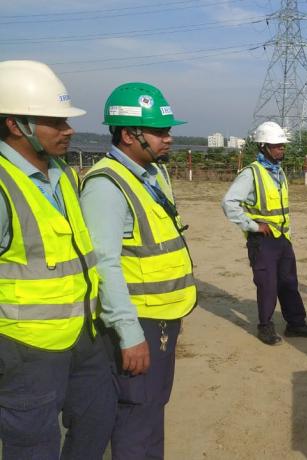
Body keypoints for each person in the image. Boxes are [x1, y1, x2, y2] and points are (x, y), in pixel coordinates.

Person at [0, 60, 115, 459]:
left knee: (98, 419)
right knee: (33, 445)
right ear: (16, 124)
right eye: (56, 122)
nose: (68, 130)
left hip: (84, 332)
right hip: (25, 347)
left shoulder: (64, 174)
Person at [80, 82, 197, 459]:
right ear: (129, 134)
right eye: (159, 132)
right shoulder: (106, 186)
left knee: (151, 409)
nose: (168, 139)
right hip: (139, 321)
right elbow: (105, 264)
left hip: (162, 317)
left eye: (168, 130)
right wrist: (129, 333)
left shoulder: (152, 175)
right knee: (136, 415)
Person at [221, 121, 307, 345]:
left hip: (283, 238)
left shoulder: (279, 172)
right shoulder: (251, 174)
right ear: (263, 146)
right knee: (268, 285)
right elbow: (229, 203)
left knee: (288, 283)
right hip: (262, 241)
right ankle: (265, 326)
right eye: (276, 146)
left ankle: (296, 324)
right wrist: (253, 226)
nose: (281, 150)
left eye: (282, 146)